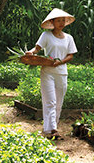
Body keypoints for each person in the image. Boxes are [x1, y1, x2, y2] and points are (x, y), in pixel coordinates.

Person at [25, 8, 77, 140]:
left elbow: (70, 55)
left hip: (62, 73)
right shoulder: (46, 35)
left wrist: (60, 62)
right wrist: (30, 53)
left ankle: (52, 126)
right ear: (52, 22)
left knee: (59, 102)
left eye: (63, 21)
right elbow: (37, 49)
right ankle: (52, 129)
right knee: (50, 101)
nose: (61, 23)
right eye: (58, 20)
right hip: (47, 71)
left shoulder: (69, 38)